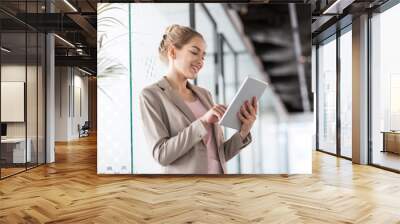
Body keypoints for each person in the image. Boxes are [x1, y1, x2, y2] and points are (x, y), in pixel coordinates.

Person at [139, 24, 258, 174]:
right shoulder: (152, 95)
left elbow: (218, 155)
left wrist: (243, 131)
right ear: (173, 52)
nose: (201, 61)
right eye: (194, 52)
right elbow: (162, 154)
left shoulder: (205, 95)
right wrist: (202, 122)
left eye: (203, 56)